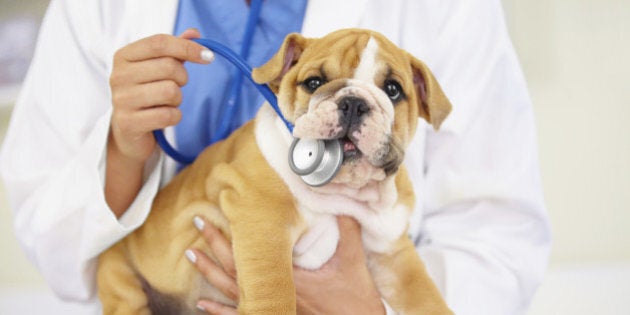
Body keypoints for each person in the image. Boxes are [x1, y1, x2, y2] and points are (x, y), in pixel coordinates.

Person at [0, 0, 551, 314]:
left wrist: (364, 307)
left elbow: (498, 233)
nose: (353, 107)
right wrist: (122, 147)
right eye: (317, 82)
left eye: (390, 93)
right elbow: (45, 211)